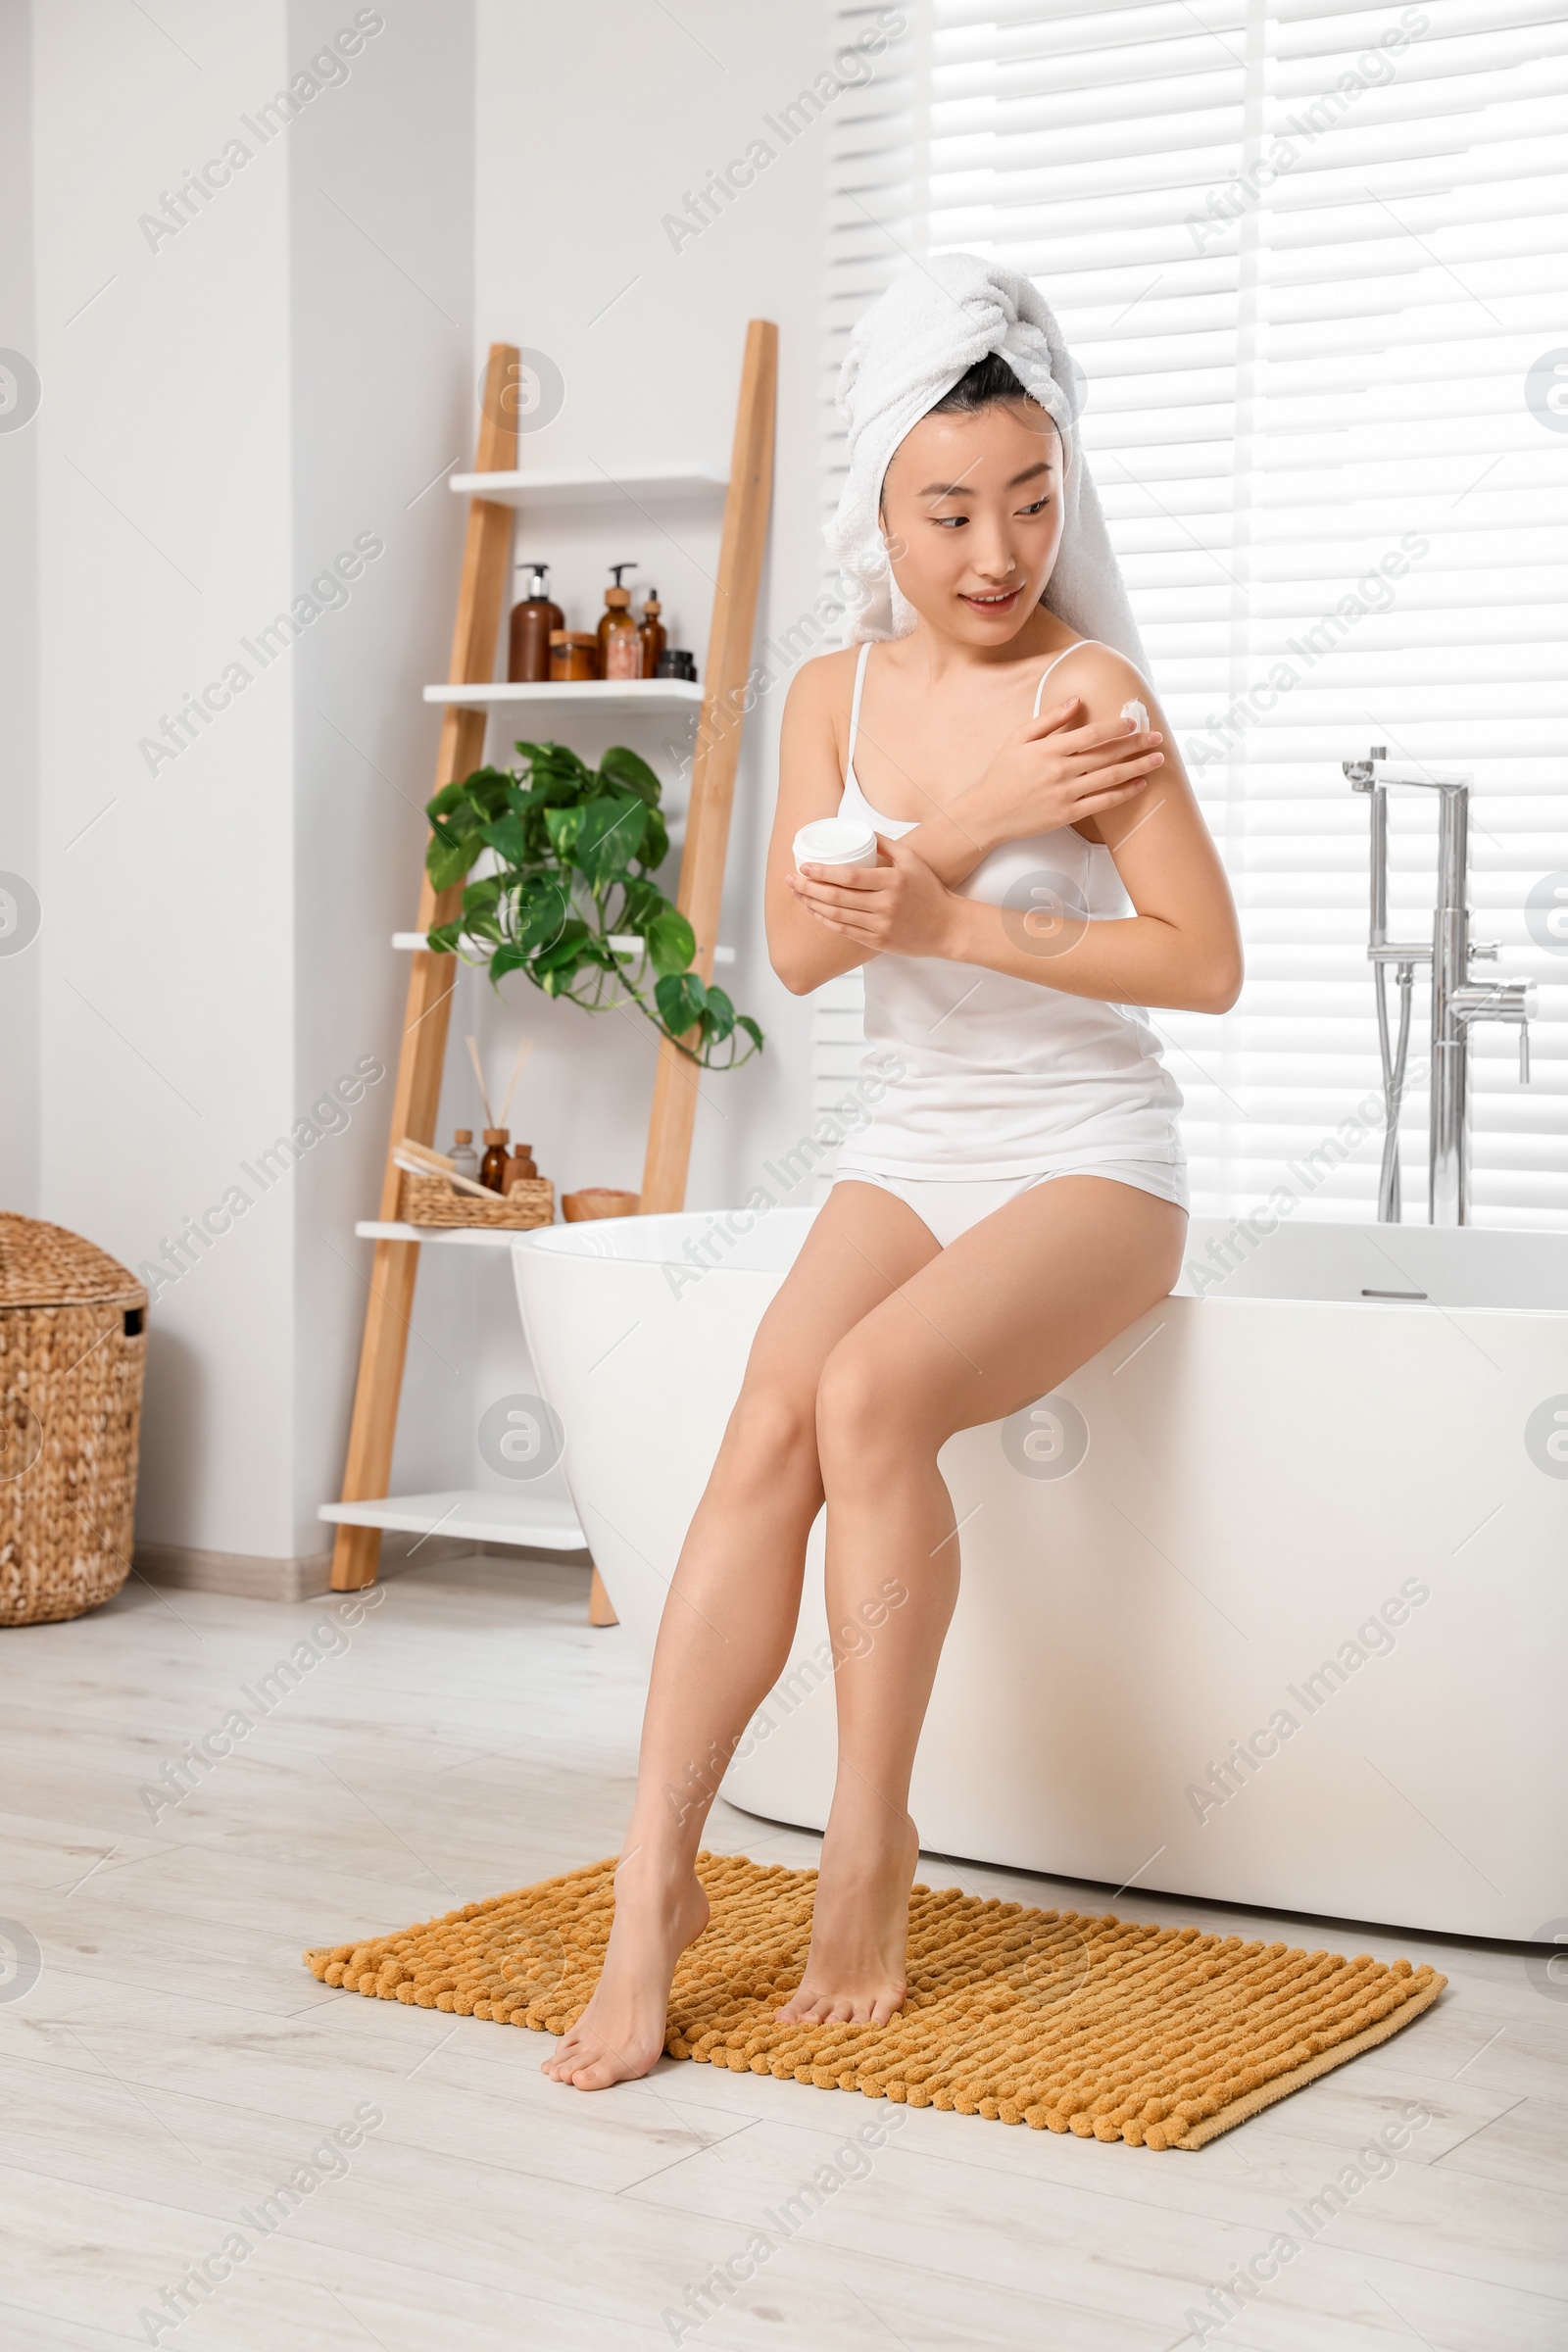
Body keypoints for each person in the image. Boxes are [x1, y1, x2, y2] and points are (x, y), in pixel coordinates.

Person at [544, 256, 1242, 2091]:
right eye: (950, 509)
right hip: (920, 1142)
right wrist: (972, 831)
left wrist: (967, 906)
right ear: (879, 504)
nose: (997, 548)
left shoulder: (1093, 695)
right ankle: (653, 1891)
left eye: (1031, 500)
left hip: (1094, 1153)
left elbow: (1203, 962)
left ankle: (871, 1837)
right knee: (767, 1418)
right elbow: (799, 952)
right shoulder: (833, 699)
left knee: (869, 1391)